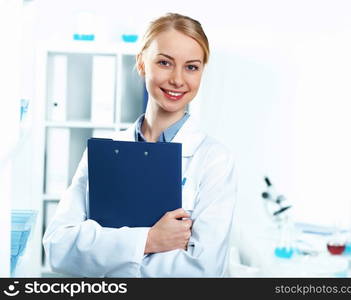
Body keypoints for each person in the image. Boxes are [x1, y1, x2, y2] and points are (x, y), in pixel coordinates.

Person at [43, 13, 237, 277]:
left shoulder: (214, 160)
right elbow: (58, 247)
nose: (178, 80)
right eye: (165, 63)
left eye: (191, 67)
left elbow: (202, 271)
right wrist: (149, 240)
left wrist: (104, 249)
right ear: (142, 63)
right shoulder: (102, 153)